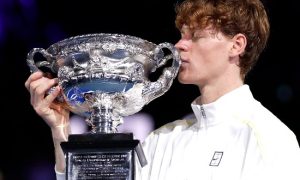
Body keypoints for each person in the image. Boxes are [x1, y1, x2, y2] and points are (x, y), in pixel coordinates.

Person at [25, 0, 300, 179]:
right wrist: (60, 128)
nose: (180, 45)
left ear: (236, 46)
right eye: (181, 35)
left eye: (195, 36)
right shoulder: (161, 140)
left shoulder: (270, 139)